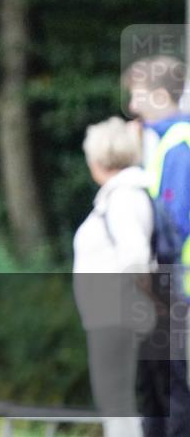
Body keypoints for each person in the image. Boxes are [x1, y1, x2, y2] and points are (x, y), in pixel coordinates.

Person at [74, 117, 155, 437]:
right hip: (115, 313)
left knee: (115, 402)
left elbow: (135, 255)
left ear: (97, 160)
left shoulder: (122, 197)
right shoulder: (125, 194)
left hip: (116, 314)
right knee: (119, 402)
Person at [124, 55, 190, 437]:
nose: (132, 106)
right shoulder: (163, 142)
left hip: (175, 290)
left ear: (162, 97)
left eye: (138, 95)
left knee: (174, 394)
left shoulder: (178, 145)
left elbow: (172, 223)